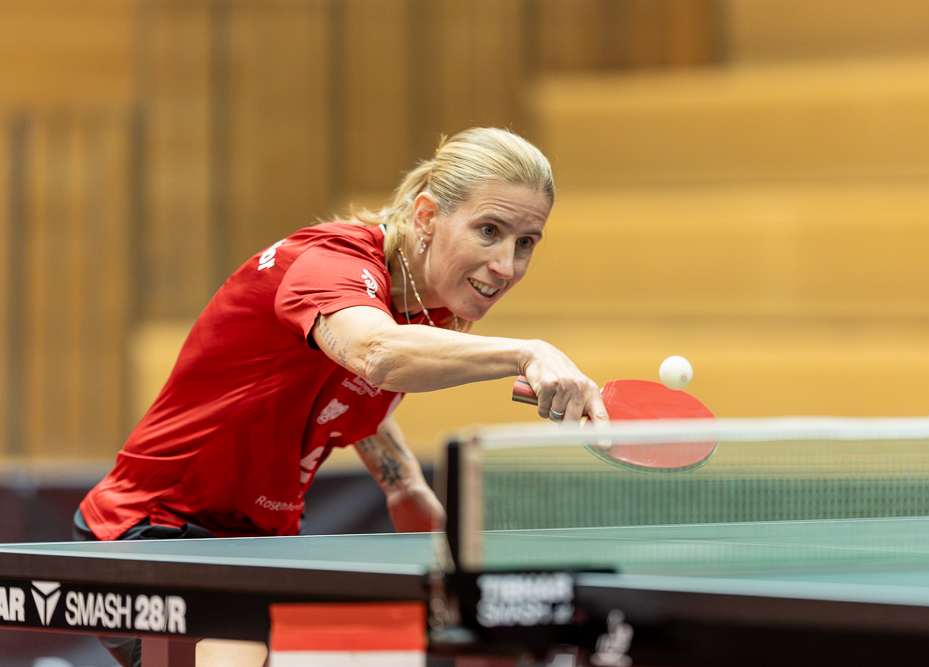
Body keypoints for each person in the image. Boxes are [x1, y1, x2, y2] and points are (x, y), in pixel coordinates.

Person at [74, 127, 609, 666]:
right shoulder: (330, 265)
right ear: (426, 217)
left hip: (261, 542)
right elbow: (375, 355)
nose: (506, 266)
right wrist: (527, 353)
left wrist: (402, 484)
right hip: (156, 526)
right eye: (488, 231)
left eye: (525, 243)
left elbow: (350, 386)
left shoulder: (431, 306)